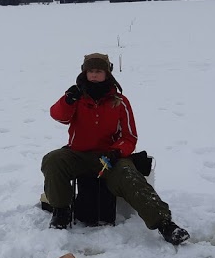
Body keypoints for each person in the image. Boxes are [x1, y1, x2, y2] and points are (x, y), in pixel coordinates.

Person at [41, 52, 189, 245]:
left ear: (107, 73)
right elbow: (58, 116)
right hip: (78, 154)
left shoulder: (120, 102)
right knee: (52, 160)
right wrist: (67, 100)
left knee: (130, 176)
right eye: (90, 71)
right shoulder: (76, 97)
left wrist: (117, 151)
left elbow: (130, 137)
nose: (94, 75)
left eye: (98, 71)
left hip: (110, 157)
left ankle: (165, 224)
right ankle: (61, 212)